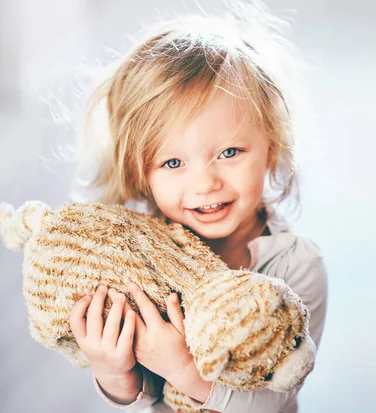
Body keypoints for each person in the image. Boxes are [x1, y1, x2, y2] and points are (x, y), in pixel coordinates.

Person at [66, 3, 327, 412]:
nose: (206, 183)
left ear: (271, 147)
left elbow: (272, 402)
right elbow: (144, 395)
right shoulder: (144, 257)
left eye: (229, 152)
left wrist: (185, 369)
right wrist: (113, 372)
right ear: (140, 172)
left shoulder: (295, 267)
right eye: (173, 163)